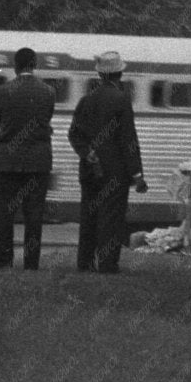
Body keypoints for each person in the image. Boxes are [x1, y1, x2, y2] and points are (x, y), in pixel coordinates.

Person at [68, 49, 148, 272]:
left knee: (89, 216)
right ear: (119, 74)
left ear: (100, 75)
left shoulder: (86, 100)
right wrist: (137, 175)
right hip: (114, 172)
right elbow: (127, 140)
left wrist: (87, 153)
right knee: (111, 218)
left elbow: (73, 133)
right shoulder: (121, 100)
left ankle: (84, 263)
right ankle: (107, 264)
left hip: (89, 170)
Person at [0, 46, 55, 269]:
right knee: (34, 215)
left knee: (4, 213)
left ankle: (4, 260)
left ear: (15, 66)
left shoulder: (3, 91)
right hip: (37, 162)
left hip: (7, 160)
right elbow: (45, 121)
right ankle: (31, 263)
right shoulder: (48, 91)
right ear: (34, 65)